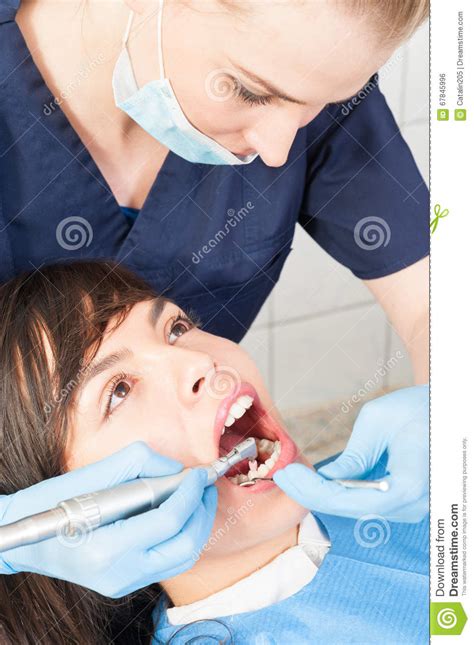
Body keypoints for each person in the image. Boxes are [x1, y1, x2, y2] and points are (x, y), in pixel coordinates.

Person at [0, 0, 429, 596]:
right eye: (253, 94)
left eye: (177, 327)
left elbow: (436, 297)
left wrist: (453, 406)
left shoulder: (303, 60)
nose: (280, 152)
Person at [0, 262, 428, 644]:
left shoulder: (409, 474)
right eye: (119, 390)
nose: (198, 363)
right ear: (77, 502)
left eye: (176, 329)